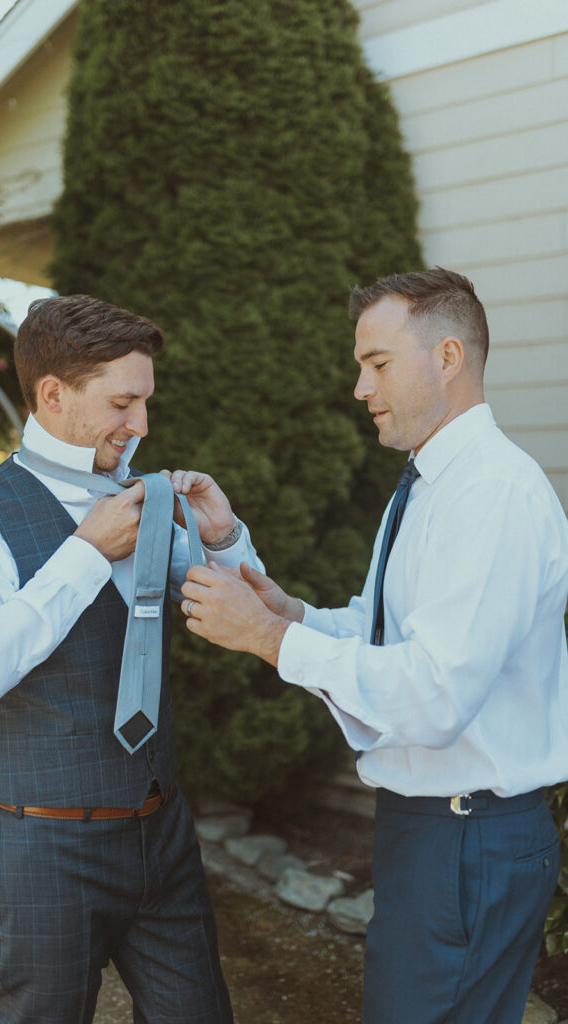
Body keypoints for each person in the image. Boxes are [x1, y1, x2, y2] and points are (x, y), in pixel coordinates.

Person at [179, 268, 568, 1024]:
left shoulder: (489, 493)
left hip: (466, 836)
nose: (360, 387)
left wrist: (269, 640)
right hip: (440, 831)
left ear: (447, 357)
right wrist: (288, 612)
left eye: (377, 363)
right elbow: (381, 633)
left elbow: (433, 695)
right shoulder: (431, 485)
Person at [0, 294, 264, 1024]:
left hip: (161, 836)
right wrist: (82, 554)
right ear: (53, 394)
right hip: (41, 848)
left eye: (143, 403)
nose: (139, 425)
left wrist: (223, 535)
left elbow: (248, 614)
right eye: (122, 403)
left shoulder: (145, 503)